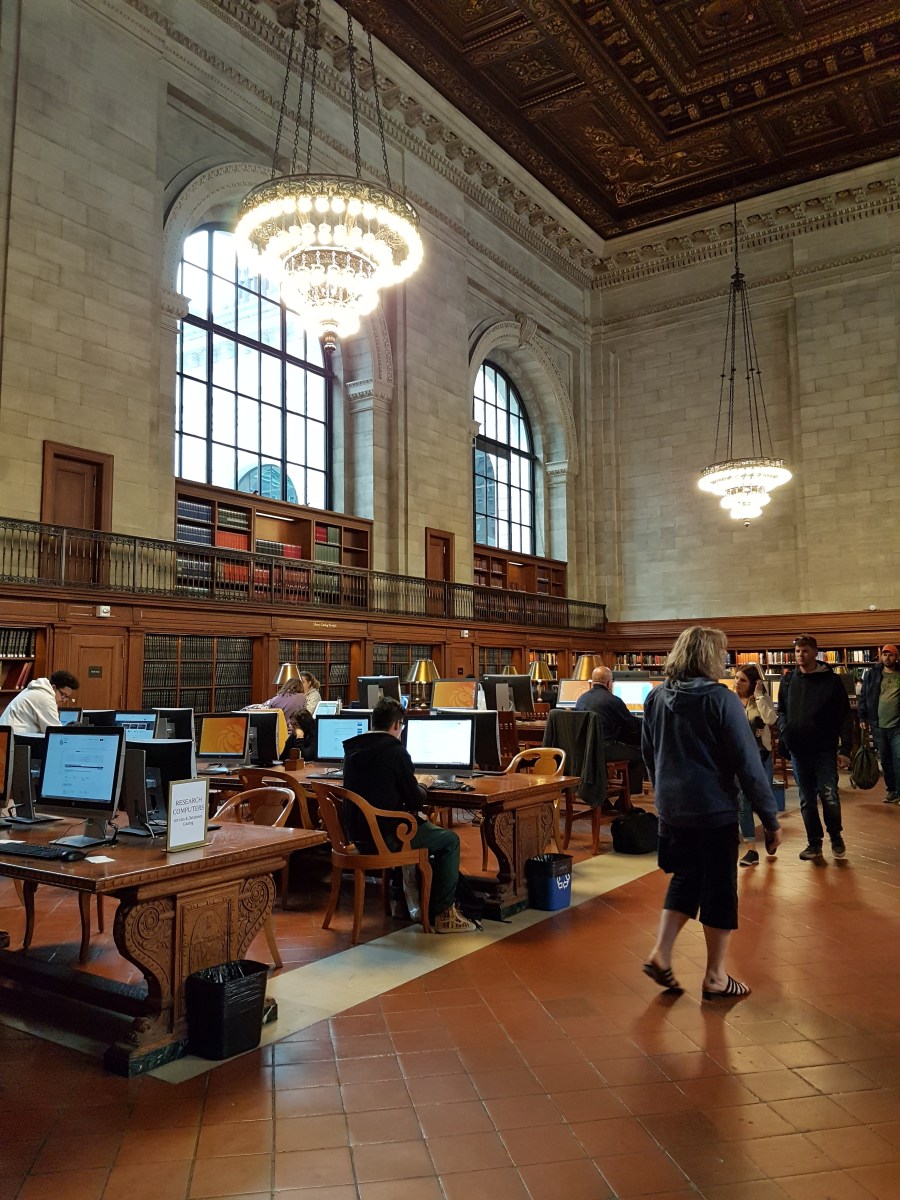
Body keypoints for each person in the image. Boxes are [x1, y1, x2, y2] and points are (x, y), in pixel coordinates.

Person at [641, 627, 781, 1000]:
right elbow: (748, 764)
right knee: (719, 888)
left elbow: (649, 753)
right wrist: (770, 819)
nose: (725, 660)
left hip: (673, 809)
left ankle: (661, 953)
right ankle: (716, 976)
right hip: (713, 808)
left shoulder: (656, 697)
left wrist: (663, 795)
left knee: (686, 877)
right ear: (709, 657)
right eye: (722, 653)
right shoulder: (721, 700)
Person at [342, 697, 477, 934]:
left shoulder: (352, 750)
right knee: (449, 840)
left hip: (358, 836)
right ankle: (445, 913)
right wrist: (422, 784)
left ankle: (400, 904)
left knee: (409, 825)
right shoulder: (395, 752)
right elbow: (414, 800)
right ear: (396, 724)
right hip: (387, 837)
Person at [778, 634, 852, 861]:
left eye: (805, 651)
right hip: (798, 749)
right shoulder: (788, 680)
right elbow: (782, 709)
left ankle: (836, 837)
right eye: (797, 651)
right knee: (806, 799)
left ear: (815, 652)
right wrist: (785, 730)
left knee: (829, 795)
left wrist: (845, 750)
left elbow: (844, 716)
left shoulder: (831, 681)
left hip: (824, 749)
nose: (800, 655)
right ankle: (814, 843)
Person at [574, 666, 645, 796]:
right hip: (605, 750)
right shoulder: (613, 700)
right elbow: (632, 726)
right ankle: (625, 799)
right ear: (608, 683)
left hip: (585, 750)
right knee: (640, 755)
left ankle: (605, 798)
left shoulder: (581, 699)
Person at [733, 664, 778, 866]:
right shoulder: (731, 701)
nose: (737, 682)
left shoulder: (761, 699)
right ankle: (751, 850)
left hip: (761, 757)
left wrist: (759, 695)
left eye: (742, 680)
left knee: (762, 800)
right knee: (744, 803)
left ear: (753, 683)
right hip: (740, 759)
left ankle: (770, 831)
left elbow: (770, 719)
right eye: (736, 678)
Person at [858, 644, 900, 804]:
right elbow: (864, 696)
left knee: (898, 758)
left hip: (897, 726)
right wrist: (862, 717)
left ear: (896, 657)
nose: (887, 658)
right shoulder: (872, 674)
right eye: (884, 654)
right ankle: (892, 791)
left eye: (891, 655)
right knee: (885, 759)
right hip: (878, 724)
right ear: (881, 656)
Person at [1, 670, 79, 734]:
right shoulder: (45, 698)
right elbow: (55, 733)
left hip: (8, 736)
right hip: (12, 740)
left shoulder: (36, 690)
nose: (64, 700)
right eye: (63, 695)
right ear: (54, 687)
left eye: (67, 697)